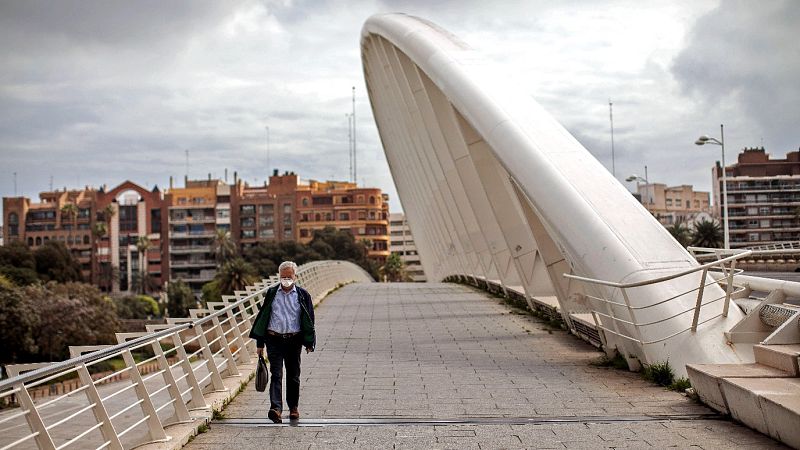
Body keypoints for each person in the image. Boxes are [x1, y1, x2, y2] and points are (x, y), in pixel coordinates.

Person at [248, 261, 316, 423]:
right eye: (283, 277)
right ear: (279, 276)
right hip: (274, 339)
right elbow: (263, 318)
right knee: (276, 374)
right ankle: (276, 409)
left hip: (294, 339)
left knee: (293, 375)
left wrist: (309, 342)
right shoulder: (272, 293)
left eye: (289, 276)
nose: (286, 280)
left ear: (295, 277)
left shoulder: (303, 295)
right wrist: (260, 344)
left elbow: (309, 319)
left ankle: (293, 408)